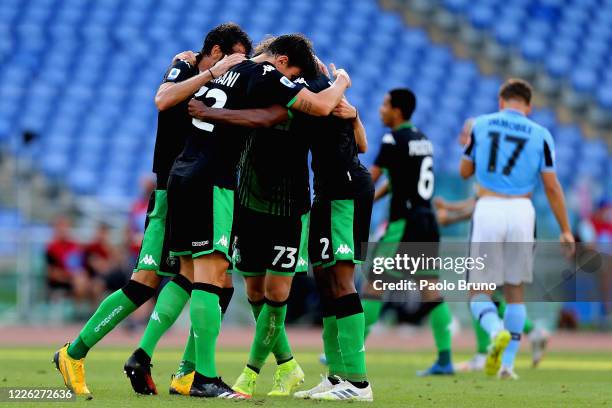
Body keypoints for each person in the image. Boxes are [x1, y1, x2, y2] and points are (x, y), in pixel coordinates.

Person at [53, 23, 251, 397]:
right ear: (213, 51)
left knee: (206, 277)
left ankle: (173, 367)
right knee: (146, 282)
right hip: (172, 192)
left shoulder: (218, 83)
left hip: (192, 189)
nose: (231, 66)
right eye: (228, 57)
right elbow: (162, 99)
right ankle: (75, 351)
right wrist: (210, 71)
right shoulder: (186, 68)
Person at [167, 33, 351, 398]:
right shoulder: (259, 75)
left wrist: (342, 87)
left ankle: (248, 373)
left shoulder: (260, 76)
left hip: (287, 204)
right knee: (240, 286)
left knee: (269, 290)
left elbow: (315, 111)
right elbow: (281, 111)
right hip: (244, 198)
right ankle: (278, 366)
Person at [460, 78, 574, 380]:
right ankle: (508, 366)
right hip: (523, 211)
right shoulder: (542, 134)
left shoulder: (481, 125)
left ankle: (495, 331)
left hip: (489, 207)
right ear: (529, 106)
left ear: (501, 102)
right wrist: (565, 229)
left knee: (477, 291)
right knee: (515, 290)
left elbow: (464, 171)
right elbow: (551, 185)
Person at [360, 88, 455, 376]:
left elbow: (371, 179)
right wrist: (375, 198)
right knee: (430, 288)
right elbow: (399, 180)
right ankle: (445, 358)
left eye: (385, 104)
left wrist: (357, 202)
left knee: (373, 284)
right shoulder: (423, 140)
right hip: (427, 221)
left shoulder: (392, 140)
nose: (381, 109)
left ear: (397, 111)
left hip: (403, 223)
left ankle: (349, 351)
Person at [294, 74, 374, 401]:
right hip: (325, 194)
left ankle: (359, 383)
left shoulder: (322, 95)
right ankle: (337, 375)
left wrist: (343, 85)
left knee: (342, 280)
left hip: (346, 192)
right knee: (325, 281)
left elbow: (364, 147)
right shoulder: (323, 95)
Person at [46, 216, 90, 301]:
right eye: (60, 227)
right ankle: (78, 308)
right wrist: (70, 276)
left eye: (65, 227)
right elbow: (51, 273)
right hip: (60, 281)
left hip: (76, 279)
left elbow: (80, 265)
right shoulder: (51, 248)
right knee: (79, 282)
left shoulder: (74, 246)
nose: (63, 230)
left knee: (92, 285)